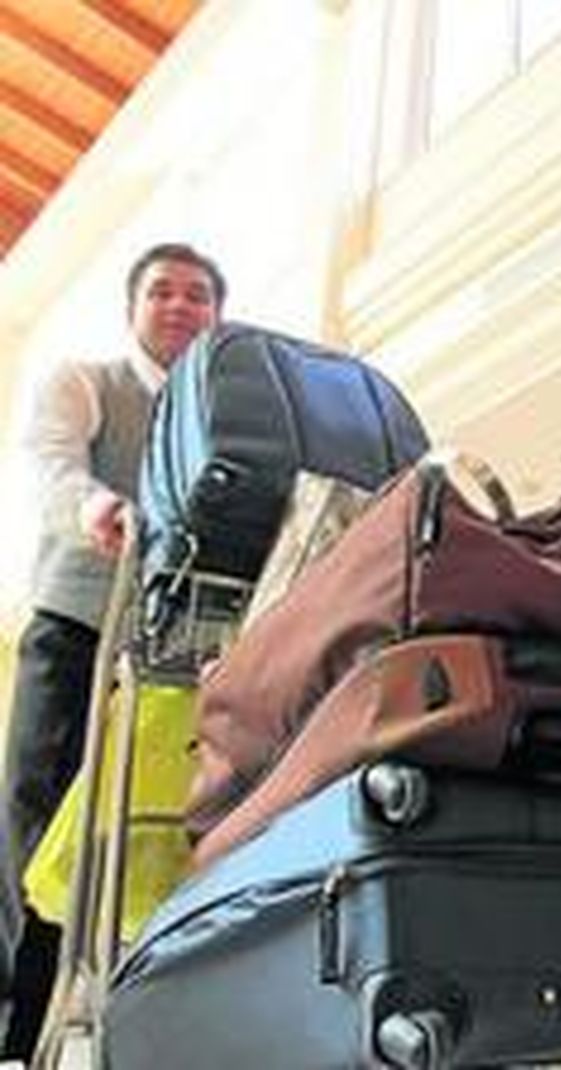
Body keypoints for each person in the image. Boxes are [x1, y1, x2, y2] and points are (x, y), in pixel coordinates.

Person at [0, 243, 225, 1059]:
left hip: (166, 650)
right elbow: (52, 465)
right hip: (75, 626)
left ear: (215, 319)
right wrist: (97, 505)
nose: (178, 305)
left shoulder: (218, 416)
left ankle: (128, 1014)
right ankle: (18, 1030)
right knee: (36, 814)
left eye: (197, 296)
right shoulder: (87, 381)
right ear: (134, 308)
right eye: (161, 291)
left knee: (140, 825)